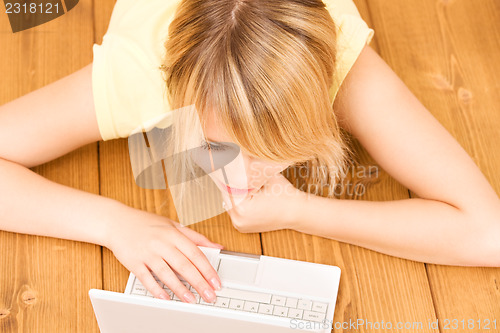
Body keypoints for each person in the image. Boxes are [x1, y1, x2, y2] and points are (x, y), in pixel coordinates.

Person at [1, 0, 499, 306]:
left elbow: (488, 234)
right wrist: (112, 223)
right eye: (216, 145)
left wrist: (304, 210)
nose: (238, 176)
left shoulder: (344, 65)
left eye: (269, 150)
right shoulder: (138, 76)